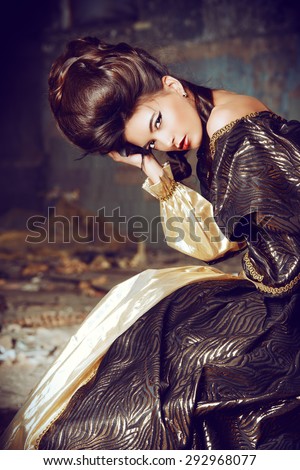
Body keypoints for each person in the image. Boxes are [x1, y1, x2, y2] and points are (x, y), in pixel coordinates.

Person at [1, 36, 300, 450]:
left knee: (162, 362)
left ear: (173, 85)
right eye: (151, 142)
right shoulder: (221, 114)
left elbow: (275, 260)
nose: (165, 141)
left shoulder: (236, 131)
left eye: (157, 123)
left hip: (290, 312)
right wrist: (148, 164)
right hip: (284, 295)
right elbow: (221, 242)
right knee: (147, 317)